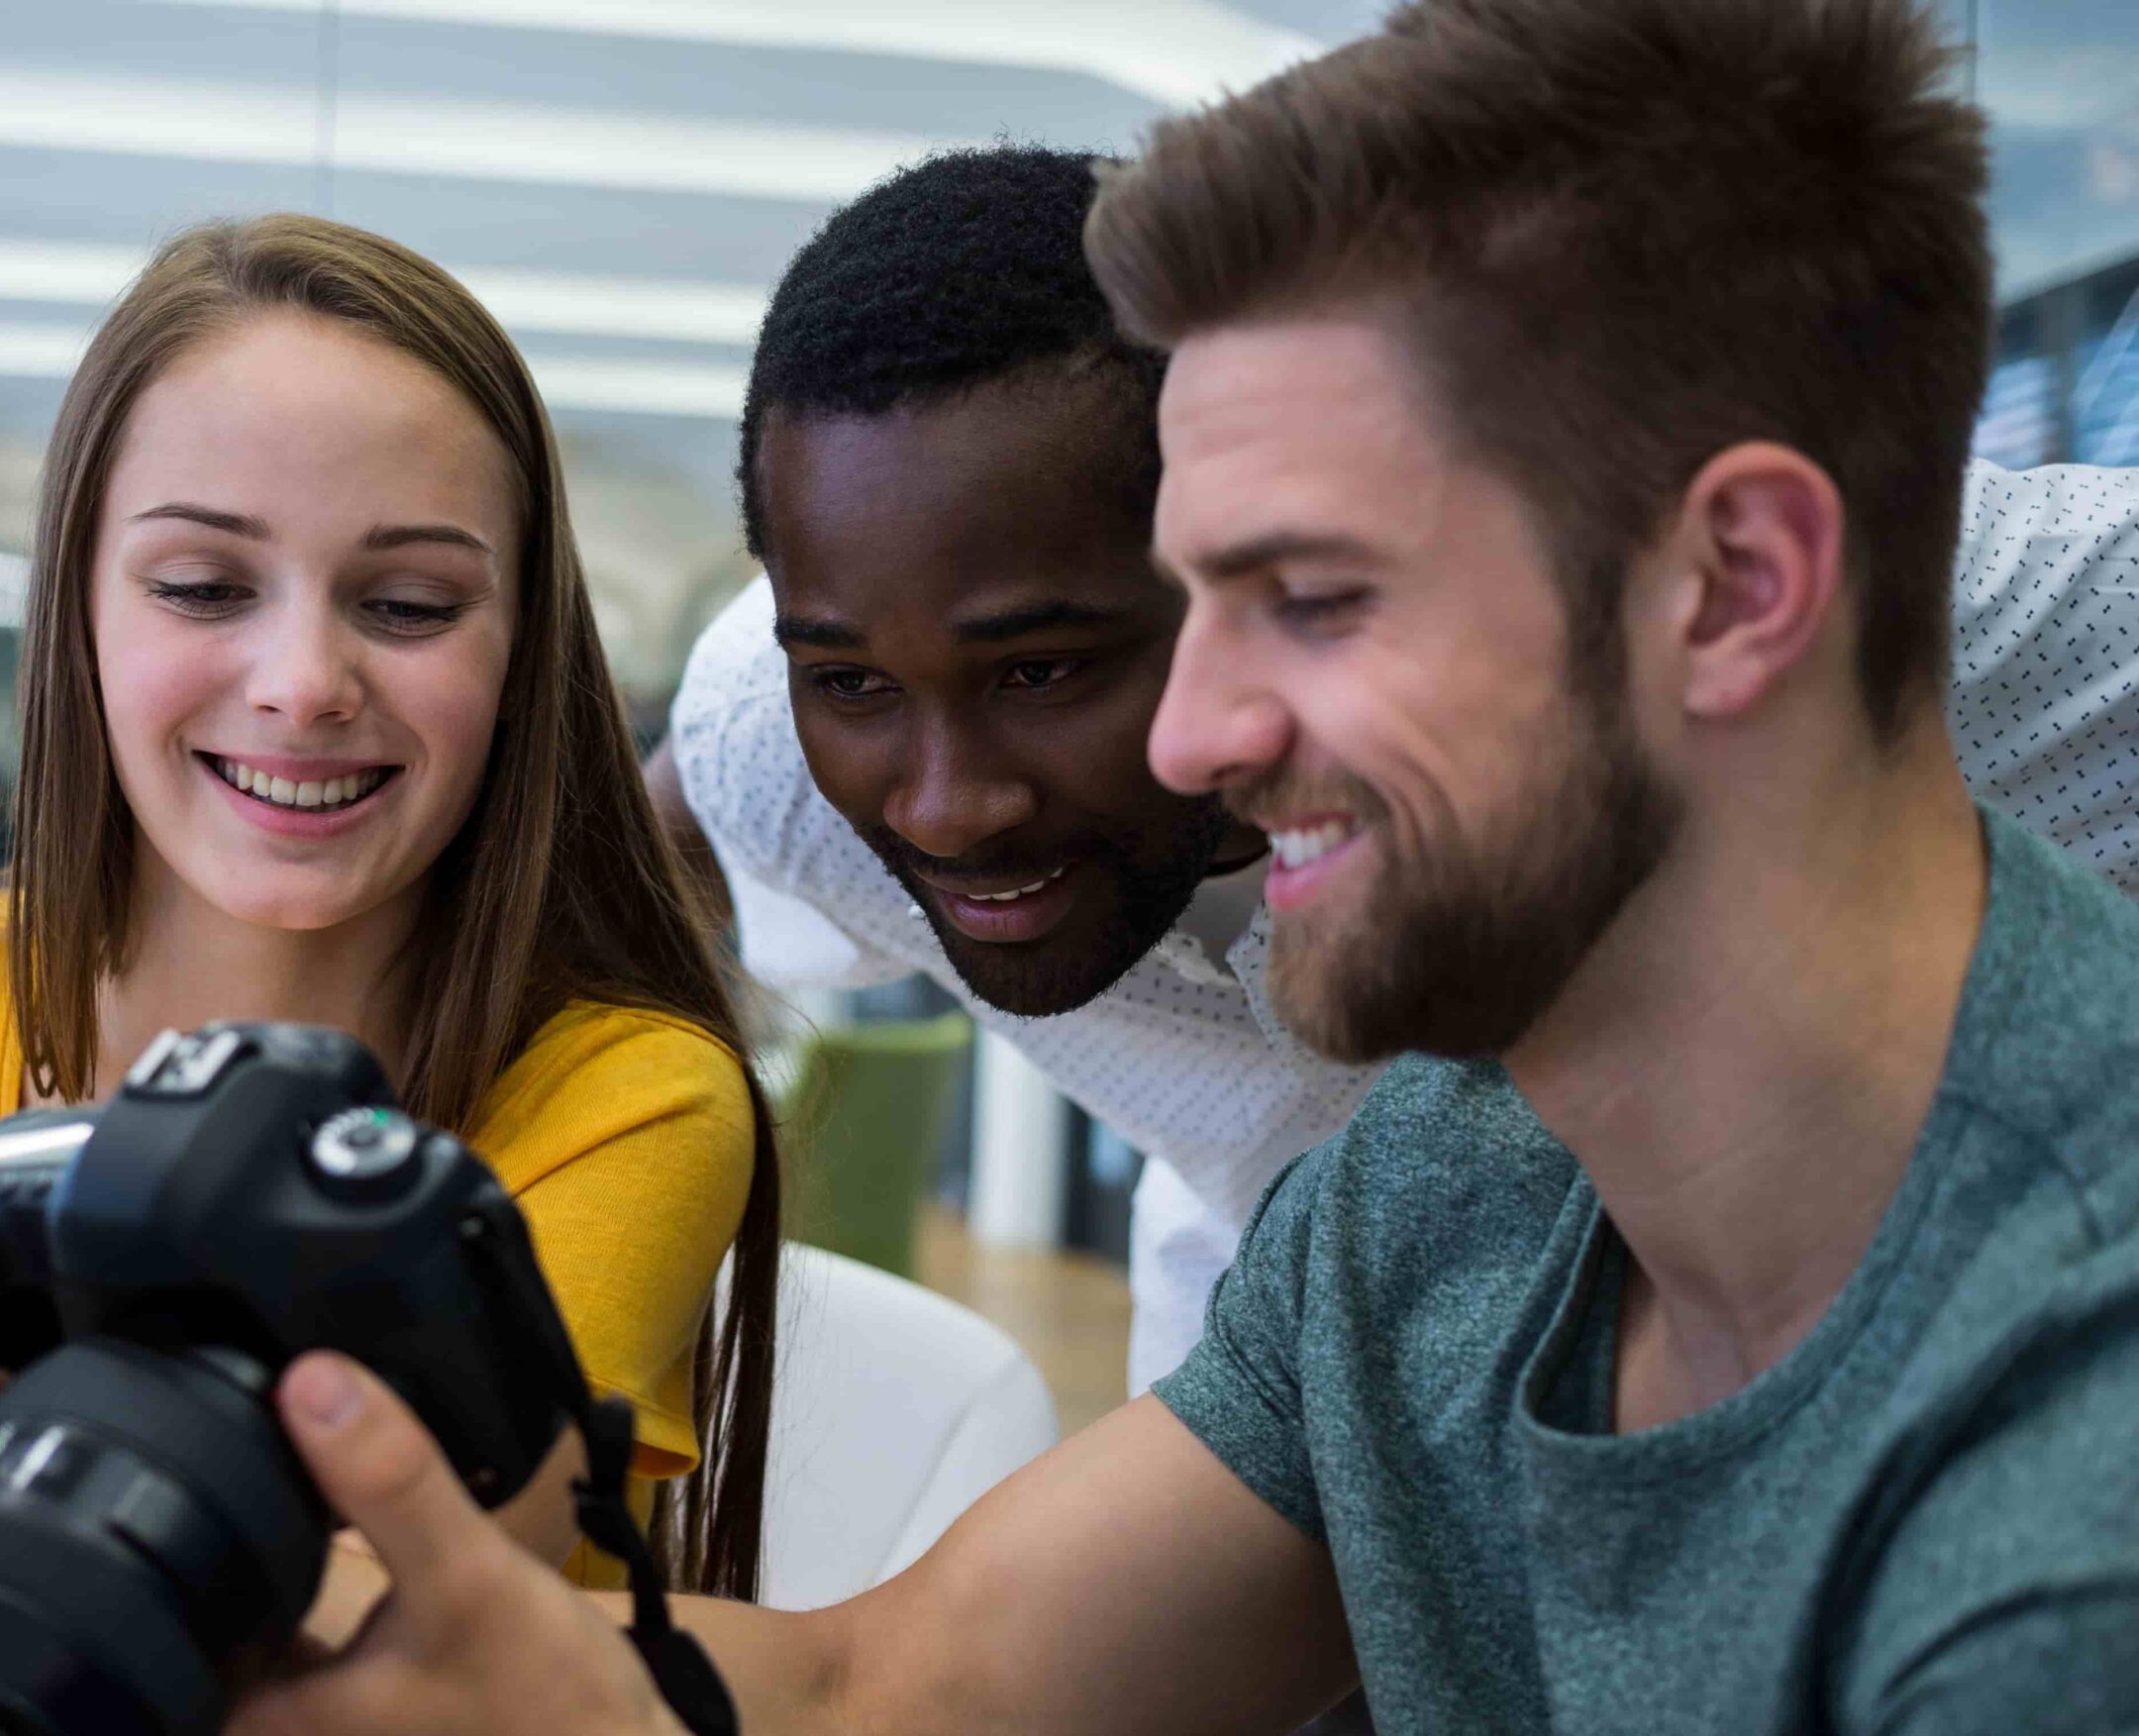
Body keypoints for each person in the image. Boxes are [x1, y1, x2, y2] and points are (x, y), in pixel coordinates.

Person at [22, 3, 2139, 1731]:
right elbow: (901, 1678)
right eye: (1186, 600)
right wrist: (265, 1661)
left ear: (1737, 584)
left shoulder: (2051, 1511)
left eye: (1310, 597)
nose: (1195, 738)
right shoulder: (1443, 1195)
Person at [651, 144, 2139, 1397]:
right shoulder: (773, 730)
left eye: (1047, 669)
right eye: (851, 680)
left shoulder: (1741, 631)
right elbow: (557, 891)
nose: (945, 801)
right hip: (1285, 1390)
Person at [0, 215, 778, 1729]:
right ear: (78, 608)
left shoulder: (628, 1097)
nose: (301, 681)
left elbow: (318, 1679)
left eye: (410, 603)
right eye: (203, 586)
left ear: (522, 652)